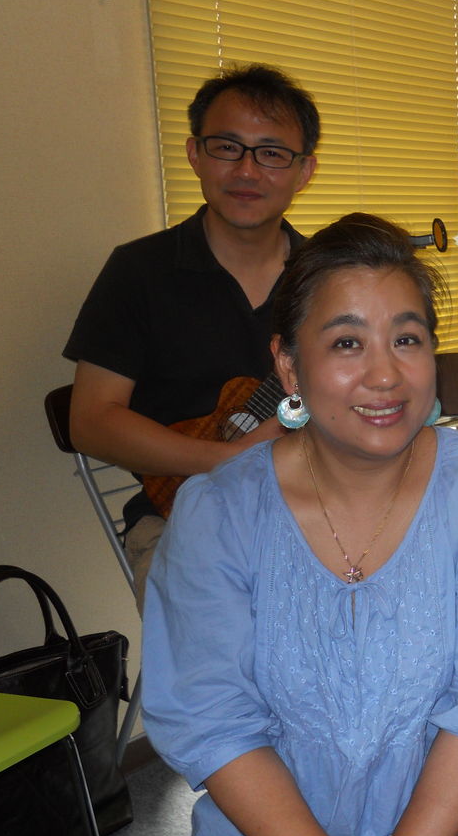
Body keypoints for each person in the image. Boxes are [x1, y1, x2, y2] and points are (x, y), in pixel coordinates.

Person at [141, 214, 458, 836]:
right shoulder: (218, 513)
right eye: (347, 343)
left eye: (407, 339)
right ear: (288, 365)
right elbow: (215, 721)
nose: (385, 375)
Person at [63, 63, 320, 611]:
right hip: (179, 520)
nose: (247, 169)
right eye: (227, 147)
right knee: (224, 634)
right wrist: (222, 461)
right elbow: (90, 420)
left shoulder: (331, 280)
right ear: (195, 154)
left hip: (321, 507)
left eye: (272, 153)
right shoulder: (139, 272)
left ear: (304, 171)